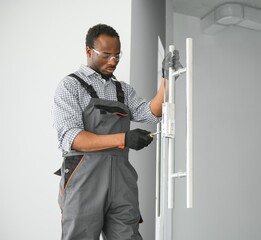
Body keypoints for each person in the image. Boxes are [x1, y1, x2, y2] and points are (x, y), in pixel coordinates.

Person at [53, 23, 181, 240]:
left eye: (117, 55)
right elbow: (72, 138)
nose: (113, 61)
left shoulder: (122, 90)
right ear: (88, 51)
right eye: (106, 55)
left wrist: (168, 79)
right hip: (84, 179)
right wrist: (124, 138)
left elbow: (151, 113)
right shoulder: (70, 86)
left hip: (121, 180)